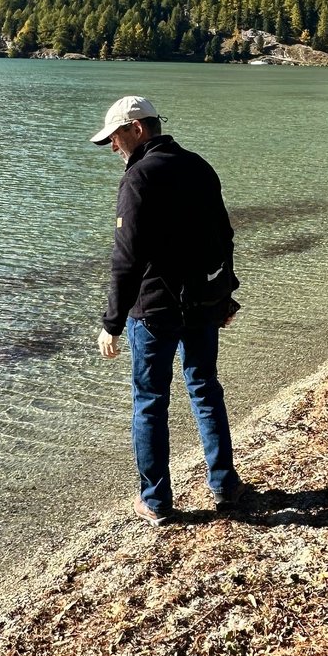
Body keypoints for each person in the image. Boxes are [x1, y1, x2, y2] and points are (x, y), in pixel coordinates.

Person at [91, 94, 242, 525]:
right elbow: (223, 238)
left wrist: (111, 323)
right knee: (205, 388)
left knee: (150, 403)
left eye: (116, 137)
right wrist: (223, 295)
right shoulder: (199, 166)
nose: (113, 147)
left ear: (137, 129)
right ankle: (225, 485)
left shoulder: (139, 176)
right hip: (202, 304)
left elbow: (126, 259)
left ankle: (156, 502)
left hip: (155, 311)